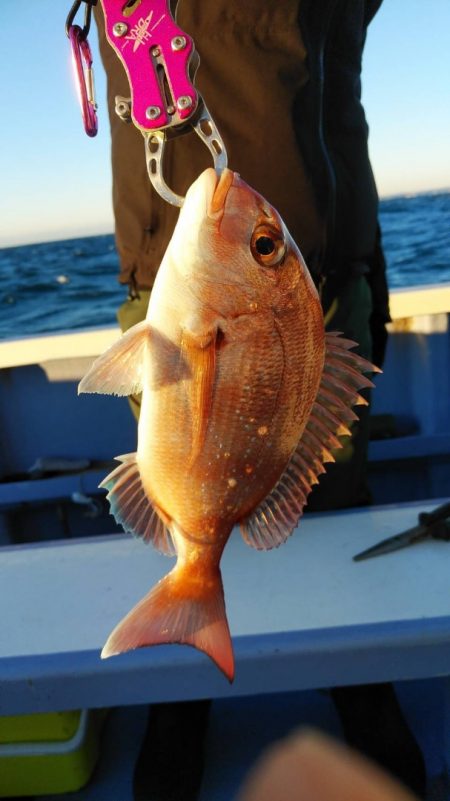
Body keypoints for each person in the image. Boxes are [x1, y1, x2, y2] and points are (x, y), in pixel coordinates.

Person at [92, 2, 425, 799]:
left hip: (328, 265)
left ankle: (359, 677)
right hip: (193, 258)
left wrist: (364, 279)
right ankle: (180, 689)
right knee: (175, 498)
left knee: (337, 499)